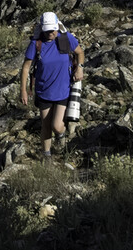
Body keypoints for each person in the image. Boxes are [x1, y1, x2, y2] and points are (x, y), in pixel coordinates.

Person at [18, 11, 84, 157]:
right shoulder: (36, 44)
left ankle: (61, 135)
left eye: (53, 30)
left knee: (56, 126)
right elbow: (26, 67)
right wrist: (23, 90)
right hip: (43, 91)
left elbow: (80, 53)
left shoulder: (66, 39)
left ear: (57, 27)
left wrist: (80, 68)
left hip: (63, 90)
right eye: (47, 30)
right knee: (46, 126)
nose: (51, 33)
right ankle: (46, 156)